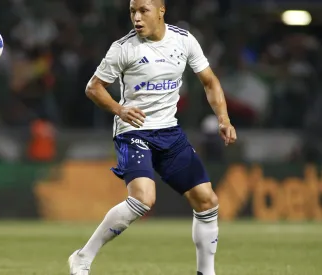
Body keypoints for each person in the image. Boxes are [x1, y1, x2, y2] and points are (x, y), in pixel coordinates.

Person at [68, 0, 237, 274]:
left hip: (169, 132)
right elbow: (94, 87)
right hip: (133, 131)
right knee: (143, 199)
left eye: (143, 10)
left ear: (161, 11)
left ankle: (206, 272)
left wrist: (224, 119)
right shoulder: (123, 48)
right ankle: (82, 257)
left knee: (207, 200)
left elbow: (210, 81)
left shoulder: (184, 40)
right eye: (132, 11)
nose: (136, 17)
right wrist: (119, 109)